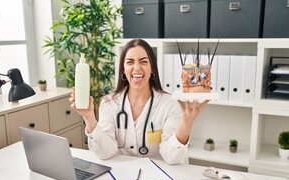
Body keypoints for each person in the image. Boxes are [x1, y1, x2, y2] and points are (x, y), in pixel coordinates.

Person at [69, 39, 209, 164]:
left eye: (143, 61)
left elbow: (171, 157)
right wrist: (89, 117)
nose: (136, 68)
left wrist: (186, 124)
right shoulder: (108, 103)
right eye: (130, 62)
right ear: (123, 69)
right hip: (123, 178)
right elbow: (105, 152)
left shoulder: (170, 104)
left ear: (152, 68)